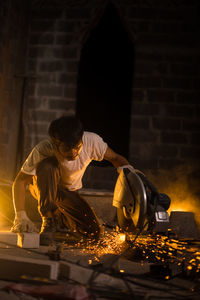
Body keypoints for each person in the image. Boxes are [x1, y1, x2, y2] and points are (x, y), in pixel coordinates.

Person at [11, 116, 133, 244]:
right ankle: (48, 222)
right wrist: (20, 215)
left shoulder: (92, 142)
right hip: (44, 188)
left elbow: (116, 158)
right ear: (56, 144)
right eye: (67, 148)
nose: (73, 152)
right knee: (47, 166)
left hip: (68, 193)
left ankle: (61, 226)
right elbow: (20, 181)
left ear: (81, 139)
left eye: (77, 146)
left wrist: (132, 176)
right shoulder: (43, 149)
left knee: (94, 233)